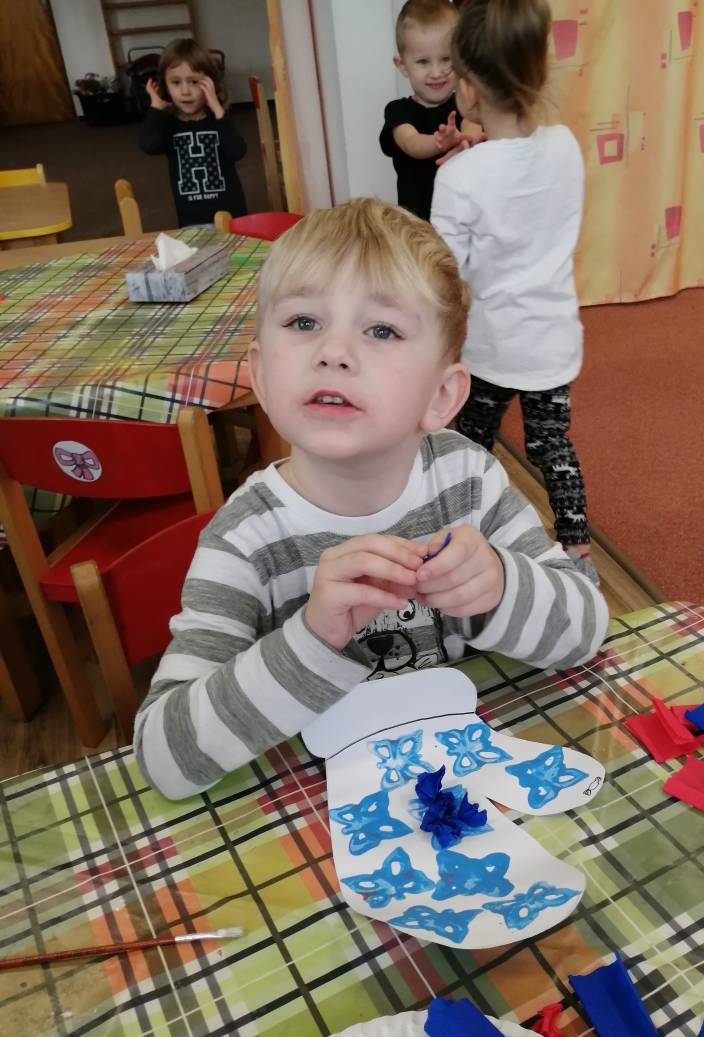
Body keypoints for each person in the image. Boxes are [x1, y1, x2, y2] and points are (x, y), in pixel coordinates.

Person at [134, 198, 608, 801]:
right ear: (262, 376)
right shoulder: (244, 540)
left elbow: (587, 630)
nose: (333, 350)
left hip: (464, 791)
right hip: (320, 813)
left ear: (441, 396)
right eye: (303, 322)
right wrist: (309, 639)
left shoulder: (469, 480)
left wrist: (500, 587)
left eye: (381, 330)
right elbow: (164, 759)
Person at [431, 0, 598, 582]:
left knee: (471, 438)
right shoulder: (566, 145)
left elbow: (447, 273)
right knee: (552, 444)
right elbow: (530, 198)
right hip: (552, 337)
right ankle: (578, 554)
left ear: (468, 90)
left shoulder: (459, 177)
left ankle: (461, 535)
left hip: (491, 345)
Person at [380, 0, 475, 221]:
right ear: (402, 66)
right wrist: (441, 141)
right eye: (423, 61)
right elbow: (411, 143)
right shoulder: (398, 111)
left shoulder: (466, 101)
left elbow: (472, 129)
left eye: (446, 59)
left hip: (462, 222)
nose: (436, 72)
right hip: (417, 227)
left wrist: (465, 139)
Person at [140, 38, 247, 227]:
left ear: (210, 84)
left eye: (194, 82)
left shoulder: (218, 120)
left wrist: (218, 109)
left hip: (230, 214)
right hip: (191, 218)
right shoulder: (168, 124)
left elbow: (237, 151)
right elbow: (149, 145)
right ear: (165, 86)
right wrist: (155, 108)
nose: (185, 91)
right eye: (175, 82)